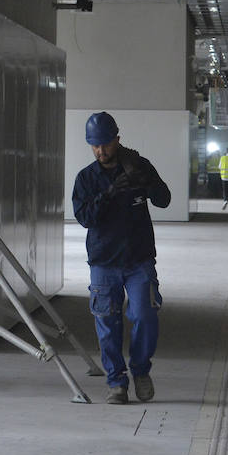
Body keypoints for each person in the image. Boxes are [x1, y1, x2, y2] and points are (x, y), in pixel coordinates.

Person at [71, 112, 171, 405]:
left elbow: (164, 200)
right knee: (107, 322)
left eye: (105, 143)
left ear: (117, 139)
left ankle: (140, 371)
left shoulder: (138, 167)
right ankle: (116, 382)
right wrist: (109, 194)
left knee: (145, 315)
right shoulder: (87, 178)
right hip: (103, 262)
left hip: (138, 259)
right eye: (95, 145)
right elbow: (85, 218)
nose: (101, 150)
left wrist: (147, 182)